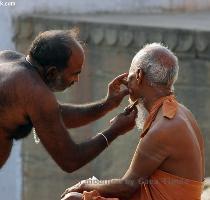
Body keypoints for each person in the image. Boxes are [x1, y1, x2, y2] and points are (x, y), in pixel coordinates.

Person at [62, 43, 205, 200]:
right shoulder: (182, 112)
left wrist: (85, 185)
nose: (126, 82)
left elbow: (126, 187)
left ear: (139, 76)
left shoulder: (163, 127)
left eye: (129, 76)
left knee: (73, 198)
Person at [0, 29, 138, 171]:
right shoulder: (34, 91)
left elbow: (55, 114)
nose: (77, 80)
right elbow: (71, 160)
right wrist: (115, 130)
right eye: (75, 74)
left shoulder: (7, 58)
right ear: (52, 72)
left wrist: (107, 105)